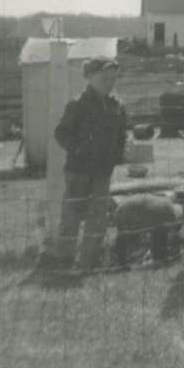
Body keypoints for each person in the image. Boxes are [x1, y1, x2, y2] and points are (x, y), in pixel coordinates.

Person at [54, 56, 128, 272]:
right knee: (72, 215)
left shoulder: (117, 106)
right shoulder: (78, 104)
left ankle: (87, 262)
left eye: (113, 78)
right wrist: (78, 149)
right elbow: (61, 133)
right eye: (104, 78)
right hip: (79, 171)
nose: (110, 82)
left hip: (103, 172)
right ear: (89, 78)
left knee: (98, 218)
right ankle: (64, 260)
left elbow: (122, 134)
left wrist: (117, 155)